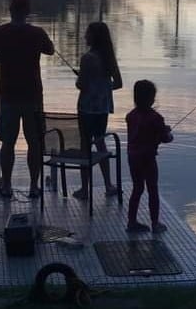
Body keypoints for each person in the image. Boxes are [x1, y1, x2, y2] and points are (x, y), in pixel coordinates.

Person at [0, 0, 54, 198]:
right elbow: (50, 50)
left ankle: (6, 186)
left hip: (7, 97)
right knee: (35, 142)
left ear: (10, 10)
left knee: (8, 142)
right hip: (33, 97)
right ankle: (33, 186)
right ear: (28, 12)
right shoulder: (37, 33)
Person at [72, 21, 123, 200]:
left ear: (94, 37)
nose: (85, 36)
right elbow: (118, 83)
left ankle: (85, 189)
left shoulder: (88, 58)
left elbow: (81, 85)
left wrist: (84, 81)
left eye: (87, 33)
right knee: (100, 143)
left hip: (86, 108)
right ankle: (108, 184)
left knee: (85, 146)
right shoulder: (109, 57)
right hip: (102, 108)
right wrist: (102, 86)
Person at [125, 79, 173, 233]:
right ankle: (155, 223)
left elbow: (139, 133)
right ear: (152, 98)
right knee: (152, 189)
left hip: (133, 157)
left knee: (137, 189)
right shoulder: (156, 118)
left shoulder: (130, 116)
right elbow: (165, 138)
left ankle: (131, 222)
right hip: (148, 159)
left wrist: (160, 131)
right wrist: (167, 133)